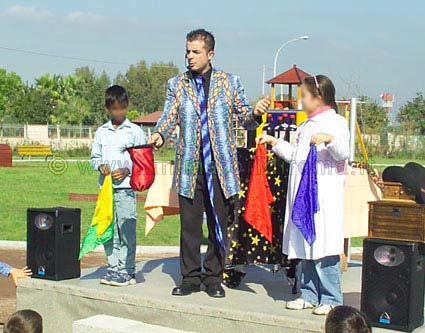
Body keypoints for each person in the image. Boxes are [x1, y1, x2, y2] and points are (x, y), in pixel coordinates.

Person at [149, 28, 270, 298]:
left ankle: (213, 277)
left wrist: (256, 113)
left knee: (217, 223)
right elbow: (168, 116)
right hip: (190, 167)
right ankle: (190, 277)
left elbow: (244, 118)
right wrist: (159, 134)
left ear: (210, 54)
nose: (189, 57)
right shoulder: (177, 84)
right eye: (187, 52)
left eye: (195, 52)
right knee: (190, 226)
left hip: (221, 167)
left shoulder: (230, 82)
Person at [257, 75, 349, 315]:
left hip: (323, 199)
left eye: (304, 96)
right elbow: (296, 156)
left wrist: (329, 139)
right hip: (302, 197)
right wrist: (275, 142)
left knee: (324, 246)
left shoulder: (336, 122)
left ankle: (331, 297)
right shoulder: (306, 125)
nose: (300, 100)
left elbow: (343, 152)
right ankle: (308, 293)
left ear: (318, 98)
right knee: (304, 246)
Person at [91, 85, 146, 286]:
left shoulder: (135, 132)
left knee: (126, 229)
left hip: (126, 190)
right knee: (108, 231)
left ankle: (128, 271)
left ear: (127, 106)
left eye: (122, 108)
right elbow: (94, 158)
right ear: (107, 108)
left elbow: (143, 161)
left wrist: (127, 170)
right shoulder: (101, 132)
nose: (118, 112)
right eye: (114, 109)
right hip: (105, 191)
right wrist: (100, 166)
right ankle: (113, 268)